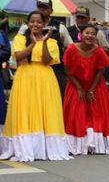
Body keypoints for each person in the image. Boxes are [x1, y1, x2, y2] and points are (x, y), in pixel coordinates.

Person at [0, 11, 71, 161]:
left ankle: (44, 148)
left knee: (45, 109)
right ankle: (25, 147)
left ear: (44, 24)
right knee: (25, 108)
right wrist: (32, 43)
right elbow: (18, 57)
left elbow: (47, 61)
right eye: (32, 21)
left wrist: (43, 42)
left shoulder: (51, 41)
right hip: (25, 76)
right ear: (27, 23)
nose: (35, 24)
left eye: (39, 22)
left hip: (45, 77)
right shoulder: (20, 38)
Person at [62, 23, 109, 155]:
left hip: (96, 85)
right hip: (75, 85)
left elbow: (101, 71)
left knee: (97, 115)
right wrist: (79, 88)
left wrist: (91, 90)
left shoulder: (99, 51)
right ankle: (76, 144)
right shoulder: (71, 49)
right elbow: (67, 70)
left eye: (93, 34)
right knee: (76, 114)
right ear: (81, 35)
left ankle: (95, 145)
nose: (90, 36)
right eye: (87, 33)